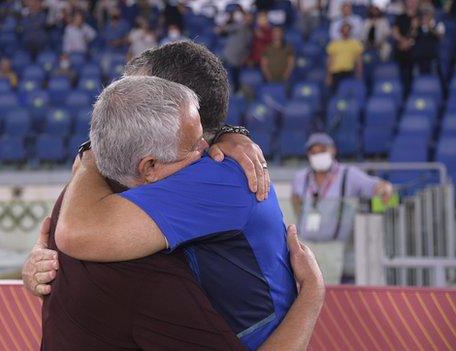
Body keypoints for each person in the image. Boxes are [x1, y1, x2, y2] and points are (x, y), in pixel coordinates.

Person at [23, 42, 324, 350]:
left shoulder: (213, 176)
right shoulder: (137, 181)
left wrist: (312, 291)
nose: (125, 103)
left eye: (141, 93)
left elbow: (77, 232)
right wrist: (43, 257)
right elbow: (70, 230)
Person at [291, 133, 393, 284]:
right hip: (306, 244)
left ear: (332, 150)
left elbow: (374, 186)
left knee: (329, 292)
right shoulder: (301, 177)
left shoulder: (349, 175)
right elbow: (295, 199)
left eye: (322, 150)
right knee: (303, 291)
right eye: (313, 152)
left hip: (334, 246)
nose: (317, 155)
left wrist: (385, 188)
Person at [216, 8, 253, 91]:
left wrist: (244, 57)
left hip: (236, 60)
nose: (247, 19)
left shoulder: (250, 32)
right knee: (218, 76)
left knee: (235, 82)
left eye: (250, 18)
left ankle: (236, 93)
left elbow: (248, 48)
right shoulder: (237, 26)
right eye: (246, 17)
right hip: (226, 56)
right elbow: (221, 30)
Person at [326, 22, 364, 91]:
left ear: (350, 31)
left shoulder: (356, 44)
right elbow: (330, 60)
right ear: (340, 31)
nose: (346, 32)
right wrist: (329, 76)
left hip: (349, 72)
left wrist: (359, 73)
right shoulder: (334, 44)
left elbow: (359, 60)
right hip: (336, 72)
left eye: (347, 30)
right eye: (344, 30)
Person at [392, 0, 420, 93]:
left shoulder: (420, 17)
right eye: (410, 1)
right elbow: (395, 32)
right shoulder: (400, 17)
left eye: (414, 1)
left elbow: (417, 33)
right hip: (401, 51)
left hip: (415, 52)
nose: (412, 3)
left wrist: (409, 41)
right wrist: (403, 41)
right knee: (401, 76)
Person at [411, 5, 444, 74]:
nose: (425, 16)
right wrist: (414, 28)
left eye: (428, 13)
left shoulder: (438, 24)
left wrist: (430, 28)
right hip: (419, 54)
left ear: (432, 14)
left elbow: (440, 37)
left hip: (433, 52)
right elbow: (412, 37)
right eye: (424, 13)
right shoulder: (418, 25)